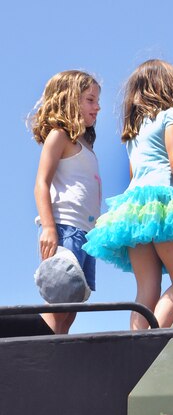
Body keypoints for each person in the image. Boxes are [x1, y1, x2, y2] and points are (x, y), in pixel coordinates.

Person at [83, 59, 173, 329]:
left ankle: (135, 343)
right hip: (163, 201)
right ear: (168, 86)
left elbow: (134, 176)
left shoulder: (134, 128)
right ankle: (152, 342)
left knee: (146, 289)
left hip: (134, 208)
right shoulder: (172, 115)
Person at [29, 70, 102, 334]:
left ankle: (59, 343)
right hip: (65, 228)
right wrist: (49, 228)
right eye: (90, 100)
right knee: (59, 300)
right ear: (71, 100)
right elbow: (41, 183)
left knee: (73, 306)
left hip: (86, 234)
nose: (97, 107)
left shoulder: (85, 145)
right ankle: (44, 346)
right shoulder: (59, 136)